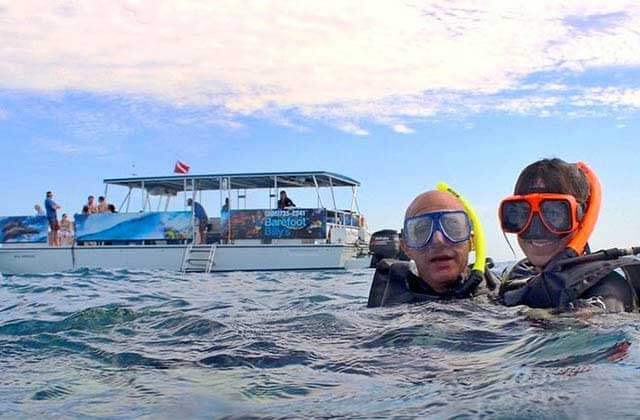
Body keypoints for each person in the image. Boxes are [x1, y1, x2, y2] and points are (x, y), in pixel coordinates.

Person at [498, 159, 640, 313]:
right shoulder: (521, 274)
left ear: (582, 216)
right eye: (522, 214)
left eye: (553, 213)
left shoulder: (608, 289)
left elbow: (596, 324)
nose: (537, 229)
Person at [367, 188, 497, 307]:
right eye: (422, 230)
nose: (438, 240)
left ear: (472, 242)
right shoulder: (387, 308)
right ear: (406, 247)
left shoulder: (502, 298)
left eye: (452, 227)